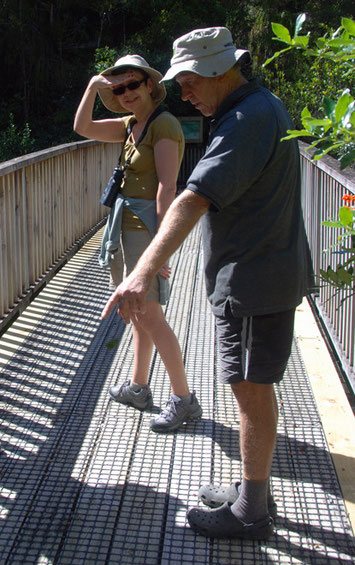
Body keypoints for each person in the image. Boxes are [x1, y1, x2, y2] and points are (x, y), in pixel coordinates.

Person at [101, 28, 313, 540]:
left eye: (190, 80)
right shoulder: (257, 107)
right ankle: (251, 491)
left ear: (220, 70)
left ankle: (252, 514)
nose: (184, 91)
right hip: (260, 270)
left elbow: (193, 197)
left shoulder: (245, 118)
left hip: (255, 278)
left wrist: (143, 270)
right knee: (251, 385)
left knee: (249, 390)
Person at [74, 54, 202, 433]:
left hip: (147, 230)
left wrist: (161, 247)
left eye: (132, 84)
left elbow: (167, 186)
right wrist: (93, 87)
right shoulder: (132, 124)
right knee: (137, 311)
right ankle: (138, 387)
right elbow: (82, 127)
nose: (126, 93)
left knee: (150, 315)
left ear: (150, 84)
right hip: (127, 230)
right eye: (119, 88)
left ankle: (184, 399)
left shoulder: (163, 125)